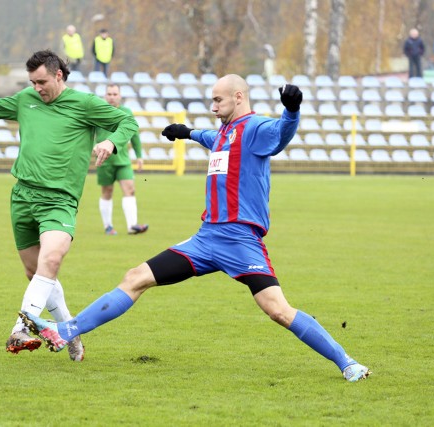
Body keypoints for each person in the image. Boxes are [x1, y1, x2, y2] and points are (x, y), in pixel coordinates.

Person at [20, 74, 372, 382]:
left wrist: (292, 110)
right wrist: (187, 133)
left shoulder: (255, 128)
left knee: (278, 310)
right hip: (205, 240)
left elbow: (281, 135)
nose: (213, 106)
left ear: (238, 97)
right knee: (135, 277)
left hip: (240, 241)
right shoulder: (223, 133)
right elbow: (211, 137)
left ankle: (348, 363)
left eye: (218, 99)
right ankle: (66, 331)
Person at [0, 50, 138, 362]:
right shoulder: (25, 99)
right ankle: (71, 330)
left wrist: (111, 141)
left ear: (59, 75)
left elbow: (127, 120)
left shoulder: (85, 104)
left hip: (59, 200)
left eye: (41, 81)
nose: (37, 88)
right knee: (36, 271)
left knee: (52, 259)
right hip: (22, 198)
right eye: (32, 82)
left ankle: (20, 328)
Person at [96, 83, 148, 236]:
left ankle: (132, 226)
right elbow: (89, 133)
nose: (112, 97)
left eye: (115, 94)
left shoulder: (126, 112)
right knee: (107, 191)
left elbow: (135, 135)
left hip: (123, 160)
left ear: (119, 96)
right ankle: (108, 226)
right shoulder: (98, 112)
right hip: (104, 160)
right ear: (105, 96)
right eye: (109, 94)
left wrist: (139, 156)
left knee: (130, 189)